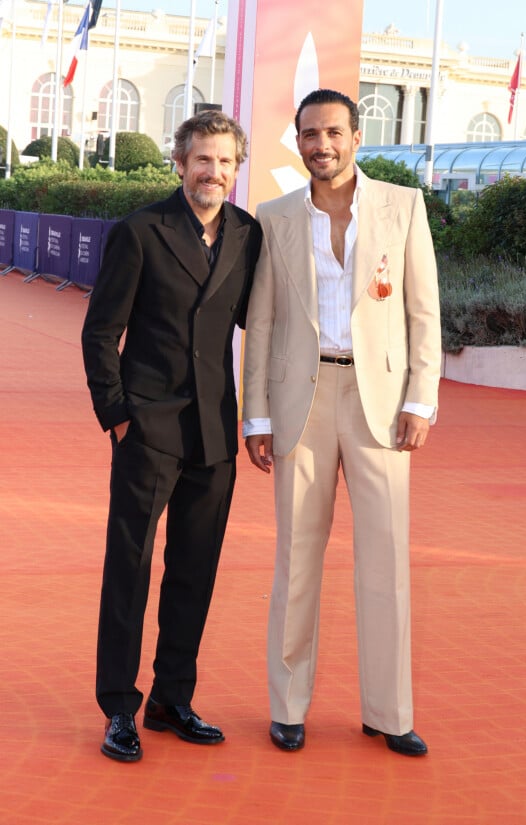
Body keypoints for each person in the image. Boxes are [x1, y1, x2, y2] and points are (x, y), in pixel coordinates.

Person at [242, 89, 441, 756]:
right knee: (296, 557)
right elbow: (262, 322)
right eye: (308, 134)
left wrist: (420, 400)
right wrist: (258, 415)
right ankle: (289, 703)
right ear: (297, 141)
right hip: (301, 399)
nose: (320, 144)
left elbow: (423, 312)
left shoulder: (402, 207)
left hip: (378, 402)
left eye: (332, 132)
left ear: (357, 136)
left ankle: (389, 711)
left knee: (384, 557)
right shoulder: (273, 216)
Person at [82, 110, 262, 762]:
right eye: (202, 160)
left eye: (225, 162)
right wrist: (119, 415)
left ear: (237, 170)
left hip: (214, 432)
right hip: (148, 430)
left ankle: (171, 697)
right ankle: (119, 708)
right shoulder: (139, 232)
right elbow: (100, 332)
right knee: (128, 571)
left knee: (195, 570)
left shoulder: (247, 234)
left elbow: (256, 322)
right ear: (180, 164)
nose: (213, 172)